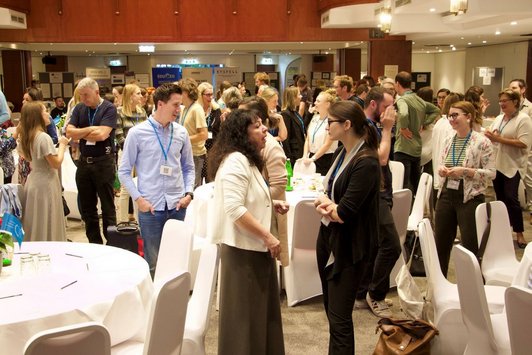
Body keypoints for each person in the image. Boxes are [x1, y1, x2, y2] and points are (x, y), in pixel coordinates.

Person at [208, 109, 288, 355]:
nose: (265, 129)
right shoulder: (235, 161)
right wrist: (268, 235)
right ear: (242, 134)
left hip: (253, 249)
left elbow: (247, 198)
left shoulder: (248, 159)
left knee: (259, 319)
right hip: (243, 254)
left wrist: (271, 204)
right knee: (245, 322)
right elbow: (233, 208)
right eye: (257, 126)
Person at [314, 100, 380, 354]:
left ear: (347, 125)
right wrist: (328, 204)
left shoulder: (366, 162)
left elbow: (344, 212)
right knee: (332, 313)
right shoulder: (344, 151)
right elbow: (329, 191)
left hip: (350, 246)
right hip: (330, 237)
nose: (326, 126)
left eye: (330, 122)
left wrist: (329, 206)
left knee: (340, 318)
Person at [119, 83, 195, 275]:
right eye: (175, 105)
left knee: (177, 261)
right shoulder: (137, 133)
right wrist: (139, 200)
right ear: (160, 104)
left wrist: (188, 194)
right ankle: (155, 303)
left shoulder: (181, 132)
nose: (179, 110)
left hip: (178, 206)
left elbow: (188, 167)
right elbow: (124, 171)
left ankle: (176, 303)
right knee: (153, 263)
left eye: (180, 105)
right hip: (151, 208)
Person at [435, 101, 496, 276]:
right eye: (449, 116)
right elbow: (443, 162)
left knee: (470, 244)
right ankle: (440, 285)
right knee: (441, 243)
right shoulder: (449, 139)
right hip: (447, 193)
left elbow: (491, 173)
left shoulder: (482, 141)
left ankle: (473, 286)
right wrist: (442, 170)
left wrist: (466, 171)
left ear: (468, 117)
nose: (451, 119)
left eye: (455, 115)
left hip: (470, 196)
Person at [355, 87, 399, 318]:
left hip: (380, 189)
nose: (390, 112)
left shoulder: (371, 125)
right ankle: (376, 294)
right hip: (375, 192)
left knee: (375, 245)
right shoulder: (366, 126)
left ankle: (364, 292)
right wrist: (389, 129)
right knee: (392, 244)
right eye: (386, 107)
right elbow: (381, 158)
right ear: (373, 104)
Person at [66, 77, 117, 245]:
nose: (83, 99)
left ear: (96, 92)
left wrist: (79, 132)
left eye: (86, 95)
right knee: (88, 209)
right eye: (81, 95)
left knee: (108, 208)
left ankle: (111, 244)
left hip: (103, 162)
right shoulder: (80, 108)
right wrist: (89, 129)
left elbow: (102, 134)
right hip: (84, 164)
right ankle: (94, 243)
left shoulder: (108, 108)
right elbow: (69, 132)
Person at [485, 89, 532, 248]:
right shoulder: (499, 118)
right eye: (500, 101)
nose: (502, 104)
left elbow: (524, 143)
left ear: (515, 102)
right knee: (501, 199)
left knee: (512, 199)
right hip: (498, 164)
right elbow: (491, 133)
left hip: (513, 166)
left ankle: (519, 233)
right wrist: (491, 134)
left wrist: (499, 139)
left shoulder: (523, 119)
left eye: (505, 101)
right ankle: (502, 231)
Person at [19, 102, 70, 241]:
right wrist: (62, 146)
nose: (48, 114)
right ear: (37, 116)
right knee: (48, 219)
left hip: (34, 181)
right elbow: (55, 163)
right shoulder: (43, 137)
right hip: (46, 183)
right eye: (44, 111)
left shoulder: (28, 136)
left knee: (36, 220)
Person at [394, 71, 440, 192]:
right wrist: (424, 123)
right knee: (416, 183)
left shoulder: (402, 100)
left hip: (403, 146)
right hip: (416, 147)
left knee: (402, 183)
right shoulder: (418, 100)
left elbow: (403, 114)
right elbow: (435, 110)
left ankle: (403, 210)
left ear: (397, 84)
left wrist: (403, 128)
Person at [115, 83, 148, 223]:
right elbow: (118, 135)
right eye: (138, 93)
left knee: (141, 186)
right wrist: (131, 151)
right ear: (130, 96)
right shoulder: (119, 112)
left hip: (142, 154)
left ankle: (140, 220)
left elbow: (147, 133)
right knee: (125, 189)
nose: (141, 96)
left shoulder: (142, 112)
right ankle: (123, 222)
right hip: (126, 153)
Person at [179, 78, 207, 188]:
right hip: (187, 153)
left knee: (192, 188)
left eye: (179, 91)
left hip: (196, 155)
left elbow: (203, 134)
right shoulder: (185, 108)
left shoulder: (196, 109)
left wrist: (184, 139)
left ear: (186, 92)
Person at [302, 89, 338, 175]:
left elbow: (327, 144)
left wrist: (313, 158)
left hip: (325, 159)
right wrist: (305, 156)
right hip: (311, 157)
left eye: (318, 101)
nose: (315, 103)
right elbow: (308, 139)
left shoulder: (332, 120)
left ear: (327, 104)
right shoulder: (315, 118)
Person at [281, 86, 306, 165]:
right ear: (293, 98)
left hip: (300, 149)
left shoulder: (295, 112)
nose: (301, 96)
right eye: (299, 95)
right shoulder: (286, 114)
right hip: (293, 153)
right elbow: (286, 138)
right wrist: (289, 157)